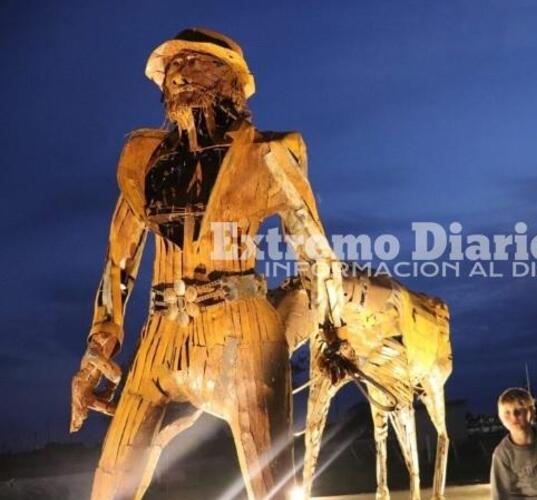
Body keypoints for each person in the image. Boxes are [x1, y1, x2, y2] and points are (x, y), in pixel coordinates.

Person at [69, 28, 351, 500]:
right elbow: (118, 263)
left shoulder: (268, 156)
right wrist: (98, 347)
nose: (180, 74)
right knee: (112, 480)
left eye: (199, 63)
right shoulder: (141, 162)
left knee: (270, 483)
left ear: (232, 82)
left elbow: (315, 251)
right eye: (173, 67)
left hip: (241, 332)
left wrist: (334, 331)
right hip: (160, 336)